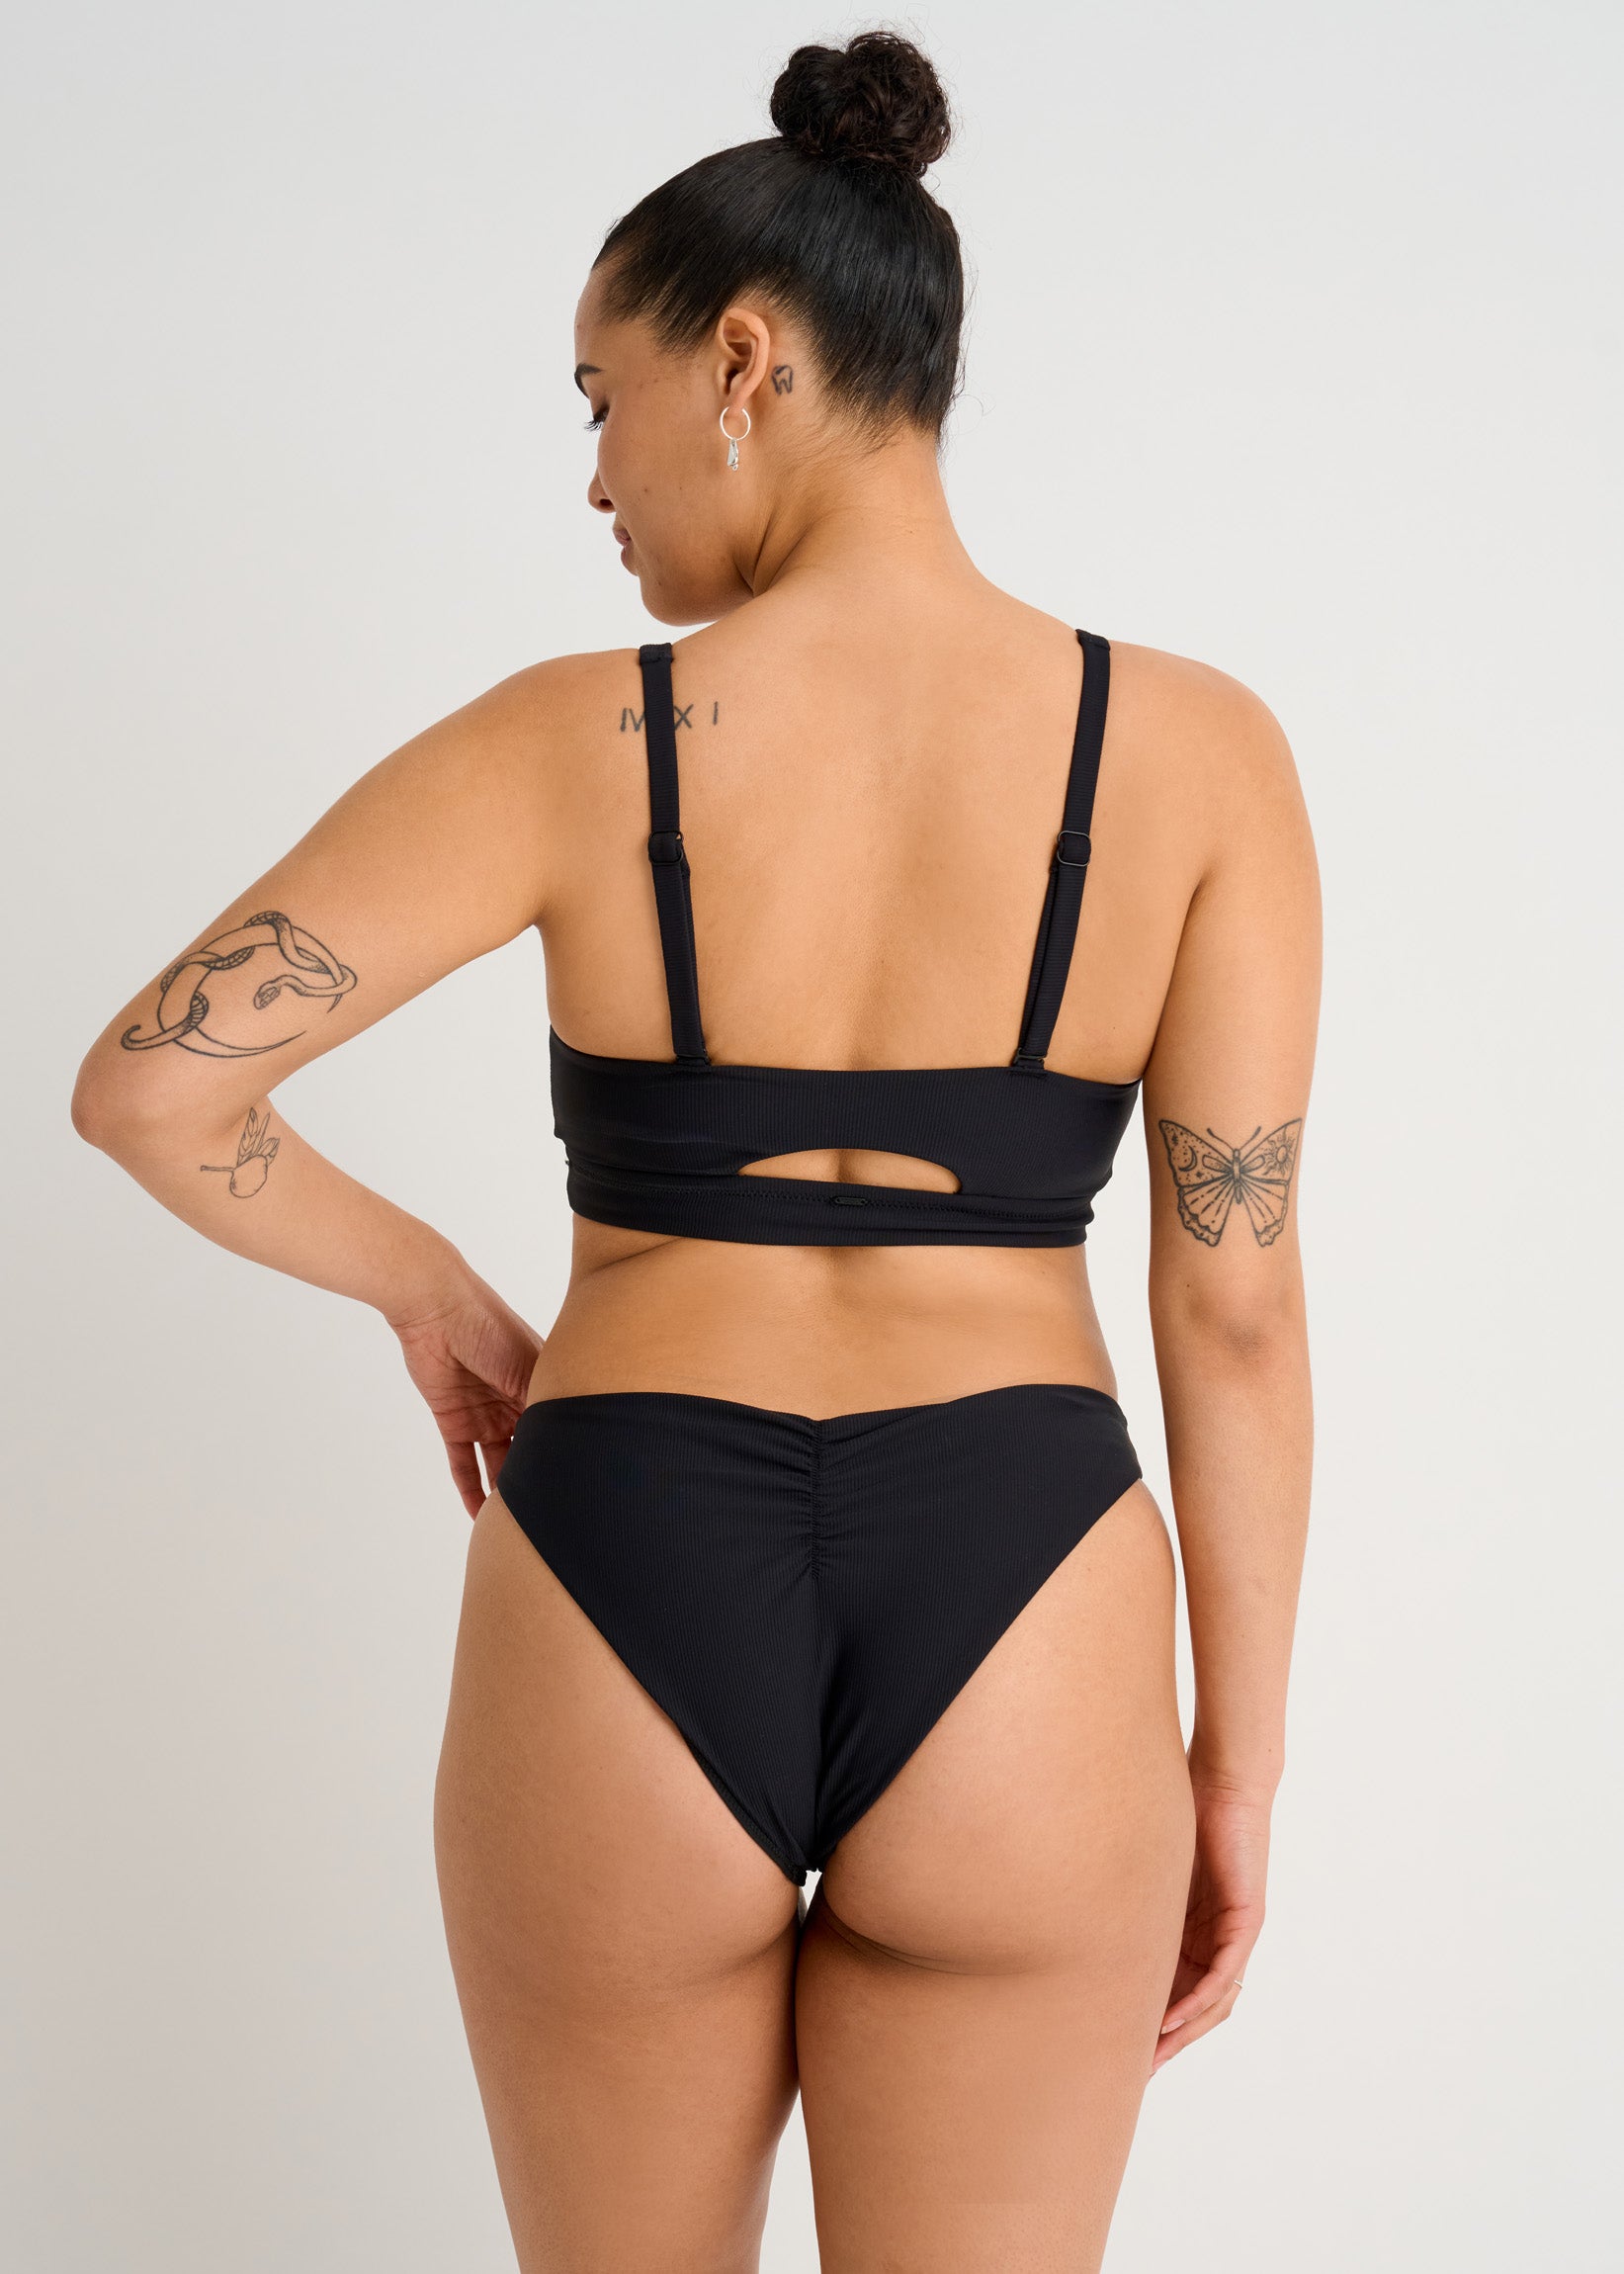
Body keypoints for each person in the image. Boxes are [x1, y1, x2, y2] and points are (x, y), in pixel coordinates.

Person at [71, 30, 1320, 2273]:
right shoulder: (1202, 759)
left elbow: (153, 1085)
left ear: (741, 361)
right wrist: (1233, 1770)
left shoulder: (574, 742)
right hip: (1028, 1605)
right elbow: (1231, 1304)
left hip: (626, 1564)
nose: (593, 479)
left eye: (599, 398)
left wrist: (440, 1296)